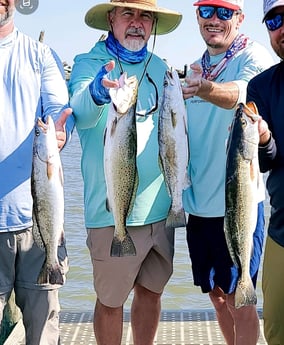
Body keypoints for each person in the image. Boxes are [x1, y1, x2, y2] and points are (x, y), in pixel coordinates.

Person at [68, 1, 182, 344]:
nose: (137, 23)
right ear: (110, 19)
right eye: (128, 14)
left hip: (161, 213)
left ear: (153, 24)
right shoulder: (90, 63)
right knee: (111, 301)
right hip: (111, 214)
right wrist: (98, 91)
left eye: (145, 15)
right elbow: (80, 113)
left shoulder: (162, 69)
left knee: (151, 293)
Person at [181, 0, 275, 344]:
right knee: (217, 297)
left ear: (239, 17)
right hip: (198, 207)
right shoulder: (196, 68)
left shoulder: (253, 56)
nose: (214, 20)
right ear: (197, 17)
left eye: (223, 12)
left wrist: (204, 89)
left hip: (240, 207)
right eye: (206, 11)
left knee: (241, 300)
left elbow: (244, 94)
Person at [0, 0, 74, 344]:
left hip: (38, 223)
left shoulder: (41, 55)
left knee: (43, 333)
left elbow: (59, 109)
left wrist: (61, 131)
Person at [246, 1, 284, 343]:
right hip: (282, 233)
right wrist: (264, 138)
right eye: (275, 20)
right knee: (276, 329)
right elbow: (268, 162)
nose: (283, 26)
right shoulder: (260, 87)